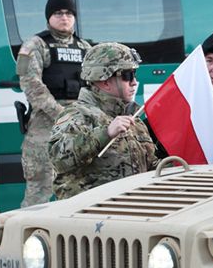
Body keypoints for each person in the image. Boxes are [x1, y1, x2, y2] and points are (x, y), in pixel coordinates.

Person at [48, 43, 158, 200]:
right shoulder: (77, 115)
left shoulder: (133, 119)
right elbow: (58, 159)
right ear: (105, 82)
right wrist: (105, 133)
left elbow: (151, 166)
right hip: (90, 210)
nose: (134, 82)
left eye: (134, 74)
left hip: (133, 207)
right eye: (127, 75)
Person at [17, 0, 92, 207]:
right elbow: (31, 85)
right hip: (45, 126)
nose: (64, 18)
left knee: (80, 188)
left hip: (79, 124)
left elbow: (96, 86)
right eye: (58, 13)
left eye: (69, 13)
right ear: (49, 17)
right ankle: (29, 227)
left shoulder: (85, 48)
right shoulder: (34, 46)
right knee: (39, 189)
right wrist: (61, 114)